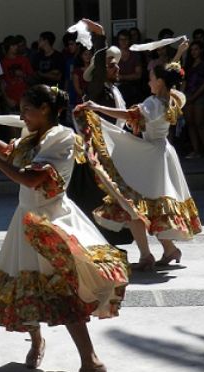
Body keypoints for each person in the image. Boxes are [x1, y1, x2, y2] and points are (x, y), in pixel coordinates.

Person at [0, 85, 129, 372]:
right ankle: (37, 342)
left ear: (45, 109)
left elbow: (30, 178)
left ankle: (91, 362)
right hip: (26, 219)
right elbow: (12, 154)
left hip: (49, 221)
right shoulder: (35, 136)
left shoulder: (61, 137)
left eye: (27, 111)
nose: (22, 117)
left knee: (61, 292)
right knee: (25, 285)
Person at [77, 44, 202, 271]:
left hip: (151, 156)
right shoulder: (173, 98)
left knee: (133, 204)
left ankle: (147, 255)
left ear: (161, 82)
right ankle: (168, 249)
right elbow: (171, 73)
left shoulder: (154, 103)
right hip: (162, 152)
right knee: (147, 206)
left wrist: (97, 107)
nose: (148, 81)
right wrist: (178, 54)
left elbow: (130, 115)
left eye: (152, 78)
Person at [67, 18, 134, 247]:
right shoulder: (96, 88)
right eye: (111, 65)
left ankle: (113, 239)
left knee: (114, 199)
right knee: (96, 200)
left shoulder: (112, 89)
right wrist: (101, 37)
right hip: (95, 155)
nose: (116, 68)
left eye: (117, 65)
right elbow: (97, 67)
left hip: (112, 152)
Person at [183, 40, 204, 159]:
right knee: (190, 123)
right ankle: (196, 150)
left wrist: (194, 96)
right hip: (188, 95)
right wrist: (182, 95)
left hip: (200, 96)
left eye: (196, 49)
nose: (194, 52)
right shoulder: (188, 65)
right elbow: (184, 81)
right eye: (192, 50)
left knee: (200, 123)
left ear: (201, 50)